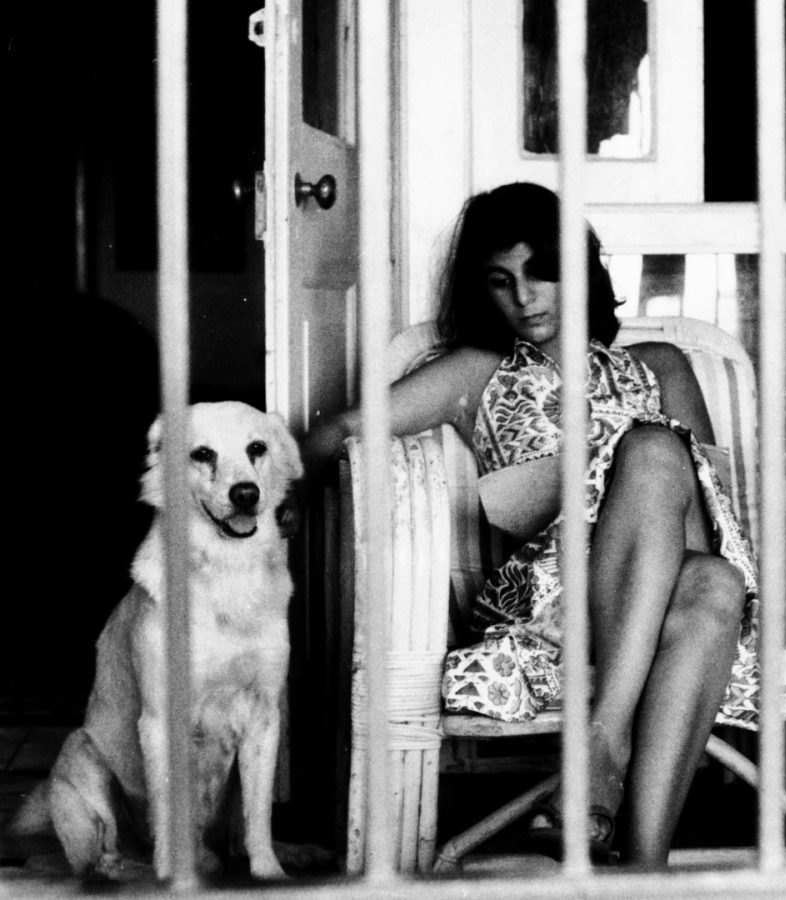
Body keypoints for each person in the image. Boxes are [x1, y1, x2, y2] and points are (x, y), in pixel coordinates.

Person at [303, 182, 758, 867]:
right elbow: (341, 427)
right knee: (672, 494)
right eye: (501, 280)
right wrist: (274, 500)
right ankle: (611, 773)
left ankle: (634, 848)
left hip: (676, 587)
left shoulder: (661, 366)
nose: (524, 296)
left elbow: (711, 504)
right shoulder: (477, 370)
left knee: (703, 555)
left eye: (541, 271)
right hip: (558, 603)